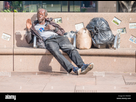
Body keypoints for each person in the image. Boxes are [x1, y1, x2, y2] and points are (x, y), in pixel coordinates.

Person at [25, 8, 94, 75]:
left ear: (45, 16)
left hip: (60, 38)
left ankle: (82, 66)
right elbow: (29, 40)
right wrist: (28, 29)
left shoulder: (51, 22)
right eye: (38, 14)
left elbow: (62, 32)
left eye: (41, 15)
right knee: (55, 52)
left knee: (71, 48)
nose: (39, 16)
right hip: (49, 40)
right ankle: (73, 69)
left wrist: (54, 28)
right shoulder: (34, 26)